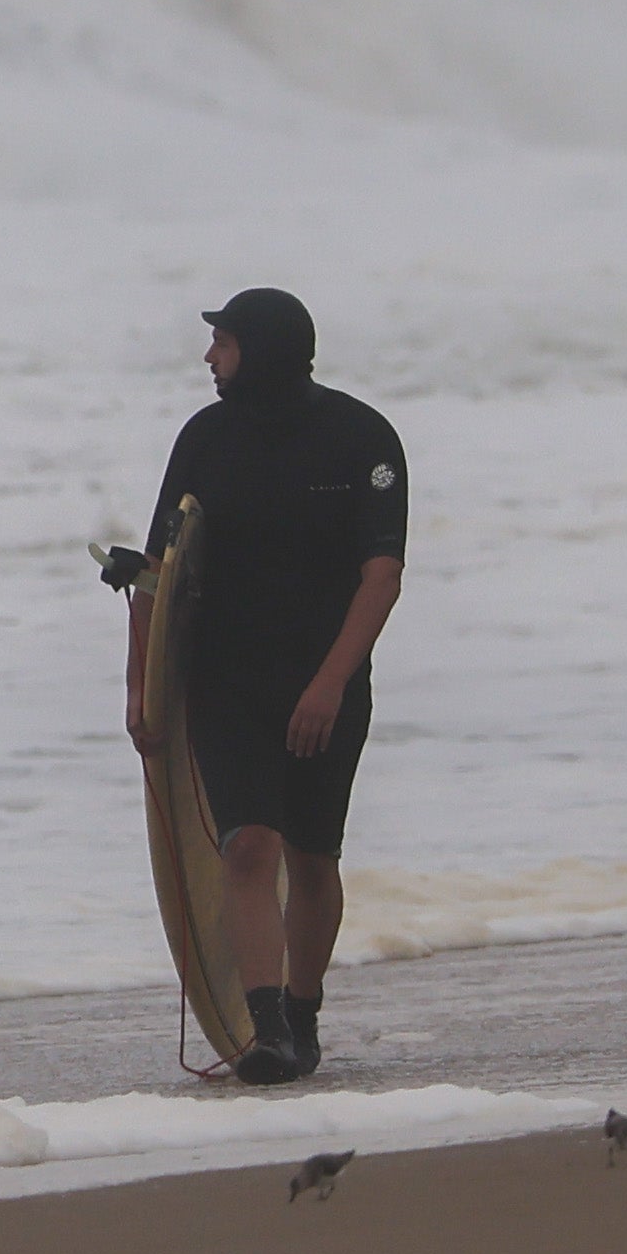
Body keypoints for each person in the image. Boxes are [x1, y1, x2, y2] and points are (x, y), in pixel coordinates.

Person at [123, 287, 406, 1085]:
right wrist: (141, 687)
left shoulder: (360, 437)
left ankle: (304, 1008)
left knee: (312, 859)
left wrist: (327, 685)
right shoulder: (204, 439)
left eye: (222, 341)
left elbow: (380, 576)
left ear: (263, 348)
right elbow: (156, 573)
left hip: (326, 679)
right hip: (224, 679)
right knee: (247, 846)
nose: (208, 356)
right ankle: (266, 1029)